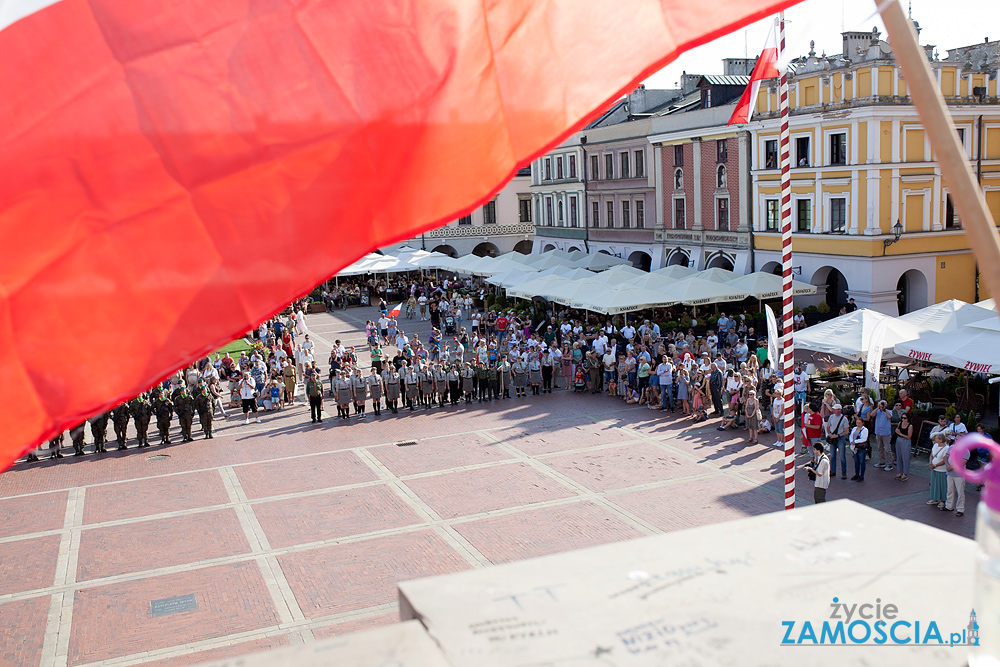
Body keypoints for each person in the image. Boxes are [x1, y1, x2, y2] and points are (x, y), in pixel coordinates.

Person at [824, 404, 849, 480]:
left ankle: (844, 472)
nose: (834, 410)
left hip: (840, 438)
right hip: (833, 438)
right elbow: (828, 427)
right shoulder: (831, 417)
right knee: (832, 456)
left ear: (839, 410)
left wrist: (837, 435)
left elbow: (846, 431)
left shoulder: (844, 419)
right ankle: (833, 470)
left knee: (842, 456)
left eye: (835, 409)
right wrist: (830, 434)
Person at [945, 442, 970, 517]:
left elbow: (963, 462)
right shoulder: (951, 447)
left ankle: (960, 509)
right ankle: (949, 506)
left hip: (959, 475)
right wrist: (947, 465)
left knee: (960, 492)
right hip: (950, 474)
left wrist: (951, 467)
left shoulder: (966, 450)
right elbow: (946, 457)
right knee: (950, 490)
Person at [927, 433, 950, 510]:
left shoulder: (947, 448)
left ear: (940, 440)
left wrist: (935, 465)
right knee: (934, 484)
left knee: (942, 485)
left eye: (936, 438)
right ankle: (934, 498)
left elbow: (944, 460)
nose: (935, 439)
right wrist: (930, 463)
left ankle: (943, 500)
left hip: (941, 470)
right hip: (934, 469)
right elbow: (931, 455)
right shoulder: (935, 445)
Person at [872, 400, 894, 471]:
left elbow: (889, 417)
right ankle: (881, 462)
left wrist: (884, 409)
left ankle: (889, 464)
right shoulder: (877, 411)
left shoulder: (889, 411)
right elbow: (872, 415)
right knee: (879, 448)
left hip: (886, 433)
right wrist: (878, 408)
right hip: (878, 432)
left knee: (887, 449)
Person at [849, 415, 869, 481]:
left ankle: (862, 475)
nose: (858, 424)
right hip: (854, 447)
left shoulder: (865, 430)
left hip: (861, 447)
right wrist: (851, 441)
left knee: (861, 461)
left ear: (862, 423)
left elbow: (864, 439)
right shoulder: (854, 428)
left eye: (859, 423)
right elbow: (851, 435)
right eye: (857, 423)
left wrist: (855, 441)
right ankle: (856, 474)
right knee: (856, 461)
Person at [894, 414, 913, 482]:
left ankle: (905, 473)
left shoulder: (910, 426)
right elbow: (897, 430)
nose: (903, 419)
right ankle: (900, 471)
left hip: (906, 441)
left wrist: (900, 434)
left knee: (905, 457)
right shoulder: (900, 423)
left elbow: (909, 436)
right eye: (902, 418)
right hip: (899, 440)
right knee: (899, 456)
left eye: (905, 418)